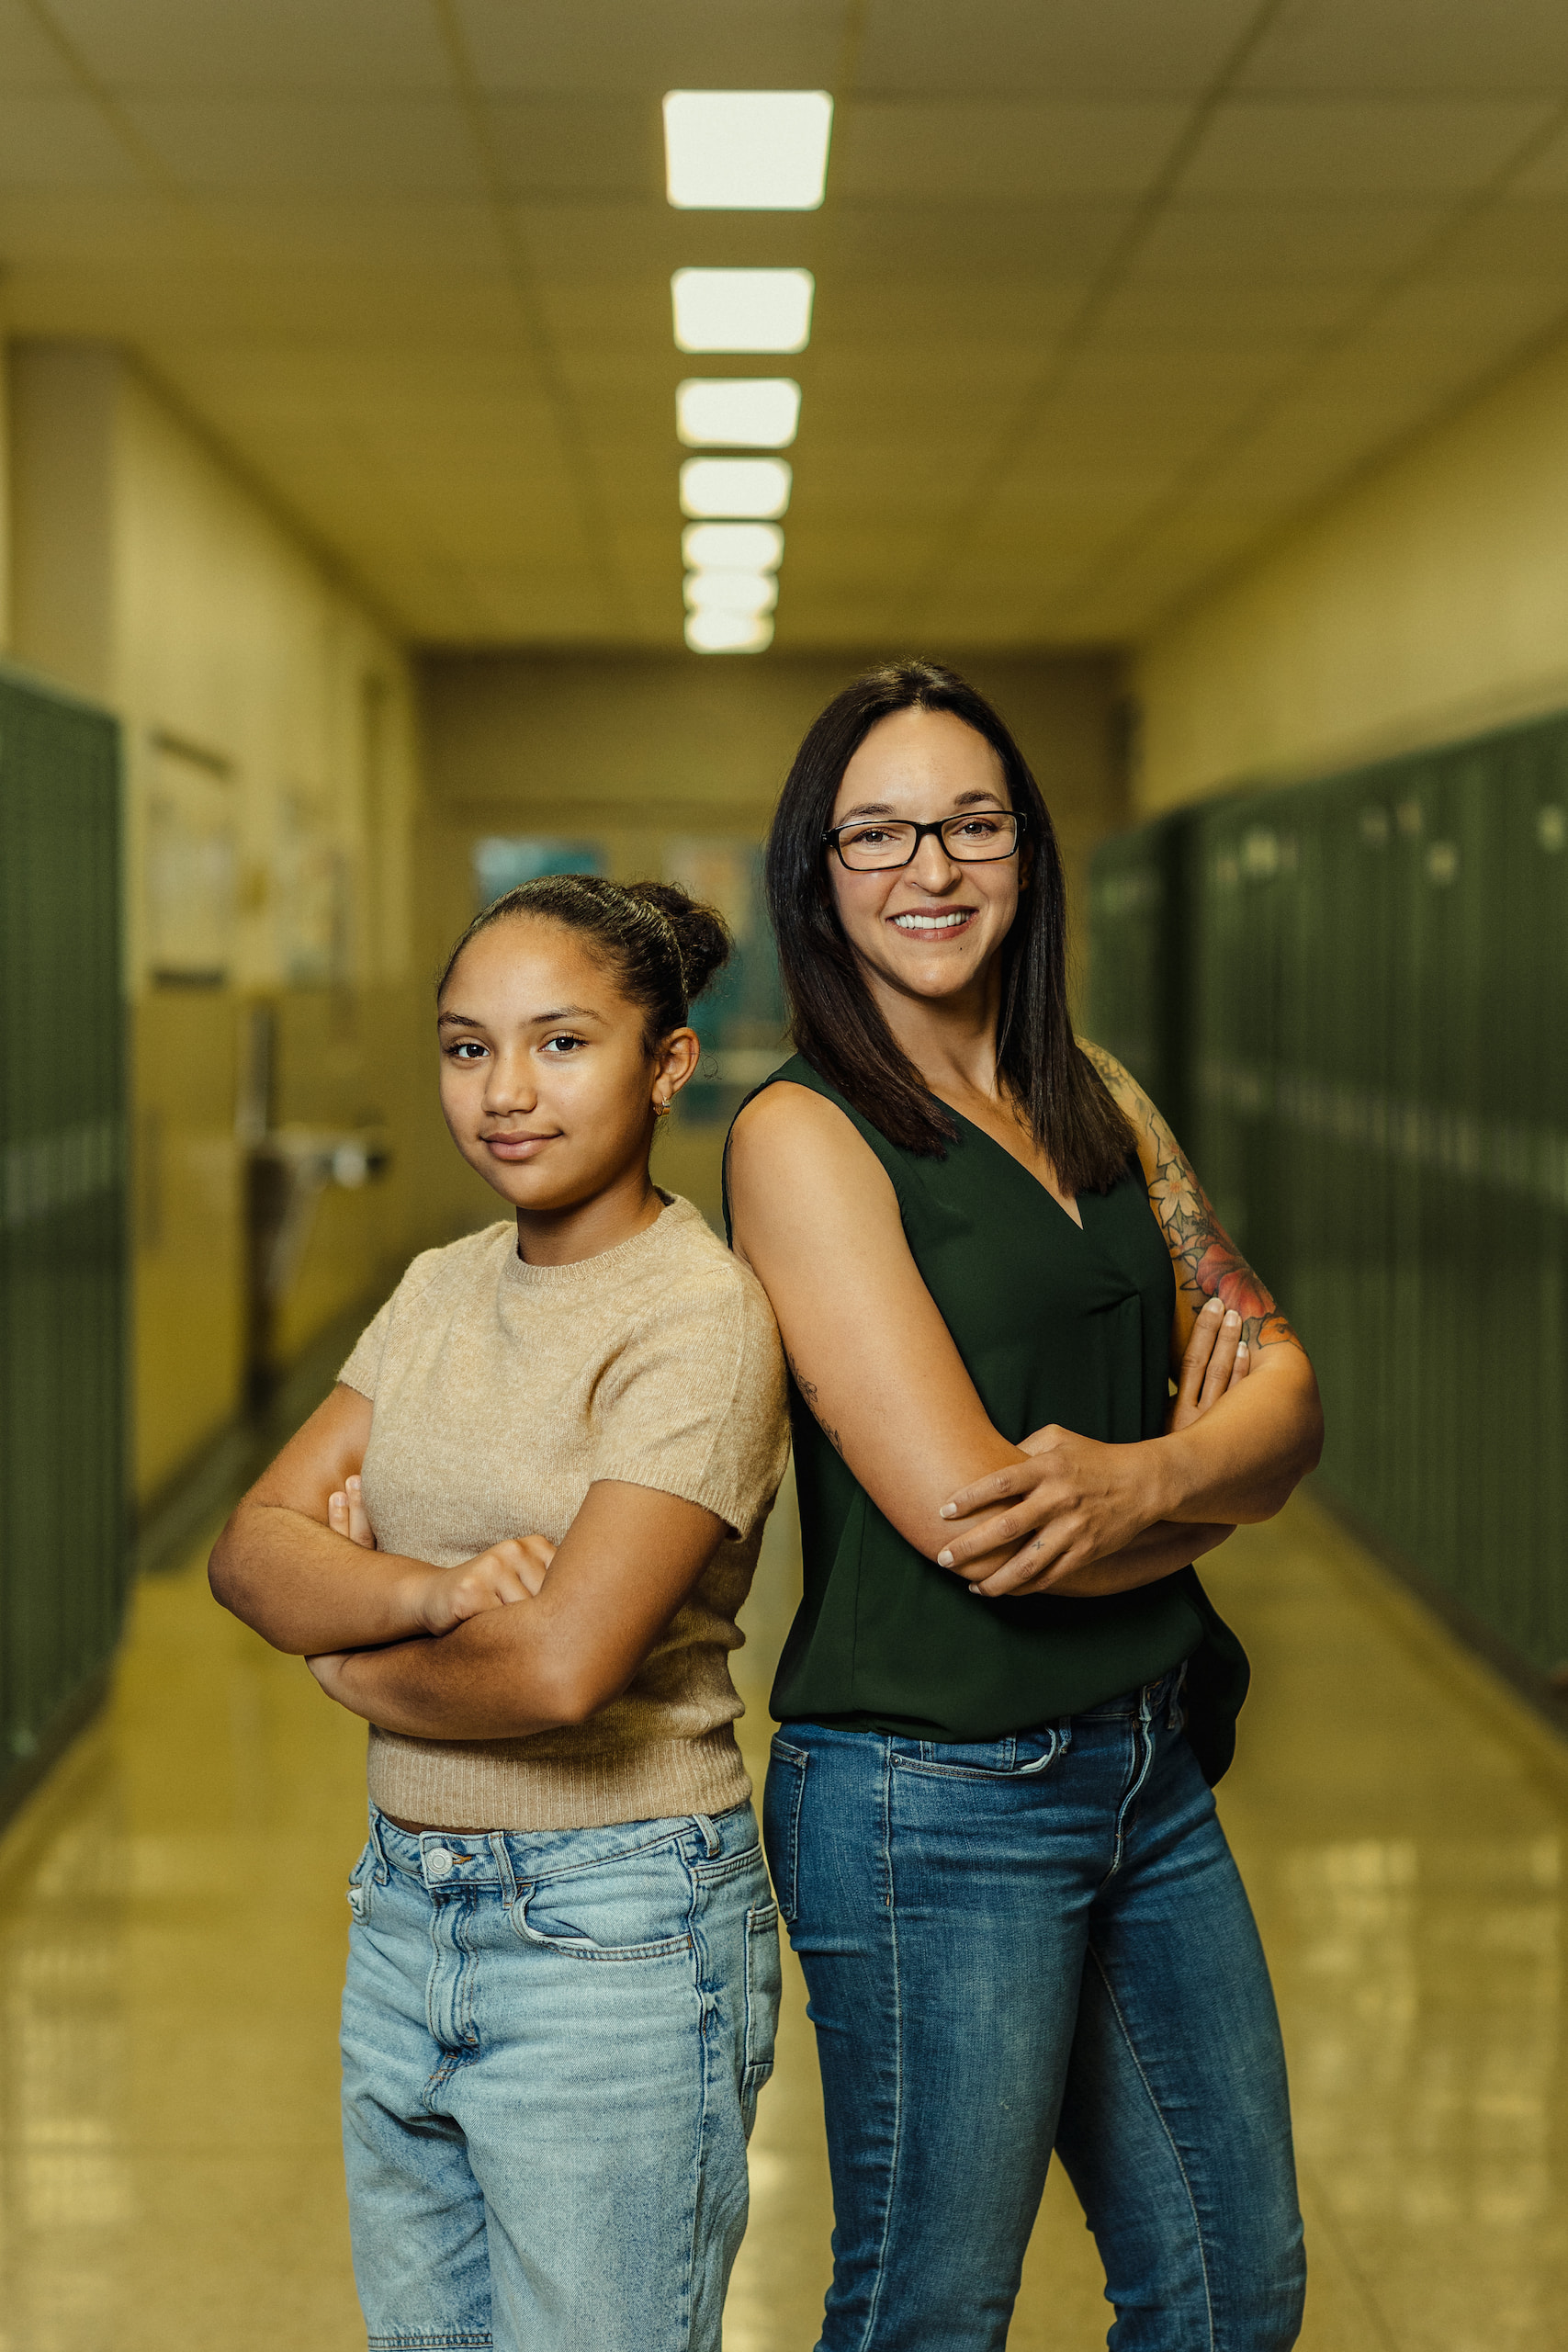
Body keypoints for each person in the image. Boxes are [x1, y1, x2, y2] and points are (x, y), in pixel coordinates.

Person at [726, 662, 1324, 2352]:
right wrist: (1217, 1492)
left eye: (972, 823)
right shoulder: (804, 1134)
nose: (931, 867)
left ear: (1028, 851)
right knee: (930, 2311)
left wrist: (1148, 1478)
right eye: (879, 832)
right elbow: (983, 1526)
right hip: (933, 1800)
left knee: (1233, 2289)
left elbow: (1291, 1402)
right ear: (819, 873)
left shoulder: (1099, 1097)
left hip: (1149, 1767)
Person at [209, 876, 789, 2352]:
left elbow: (559, 1670)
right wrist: (429, 1593)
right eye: (468, 1049)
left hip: (617, 1926)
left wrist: (346, 1656)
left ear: (668, 1064)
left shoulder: (698, 1317)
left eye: (561, 1044)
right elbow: (250, 1550)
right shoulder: (438, 1287)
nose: (505, 1092)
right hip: (406, 1905)